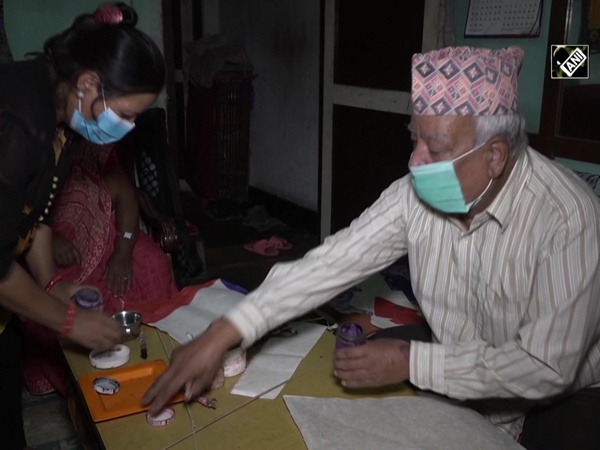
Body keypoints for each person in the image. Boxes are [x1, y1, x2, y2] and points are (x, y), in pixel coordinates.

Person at [143, 46, 600, 449]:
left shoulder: (568, 218)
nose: (414, 160)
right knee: (360, 371)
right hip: (462, 349)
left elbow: (544, 367)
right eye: (413, 138)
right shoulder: (414, 193)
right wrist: (224, 333)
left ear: (495, 156)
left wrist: (414, 362)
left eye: (434, 149)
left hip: (563, 391)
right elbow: (332, 262)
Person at [0, 2, 165, 448]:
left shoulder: (61, 117)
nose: (128, 128)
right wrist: (68, 320)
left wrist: (50, 281)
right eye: (126, 114)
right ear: (89, 83)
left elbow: (36, 215)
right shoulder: (17, 117)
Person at [21, 135, 178, 397]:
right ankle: (85, 380)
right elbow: (23, 230)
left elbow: (124, 192)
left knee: (151, 262)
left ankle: (154, 350)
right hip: (45, 247)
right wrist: (50, 244)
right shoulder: (29, 149)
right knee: (76, 295)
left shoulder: (91, 150)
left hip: (105, 232)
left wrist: (122, 252)